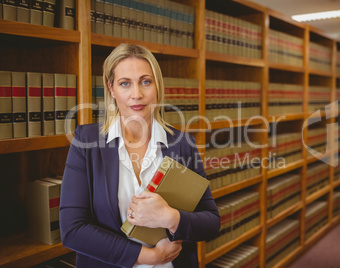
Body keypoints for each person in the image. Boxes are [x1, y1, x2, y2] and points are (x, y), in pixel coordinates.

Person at [60, 43, 220, 268]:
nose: (137, 94)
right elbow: (72, 230)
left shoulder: (183, 144)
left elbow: (211, 222)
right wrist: (148, 257)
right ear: (112, 89)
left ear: (157, 87)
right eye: (125, 83)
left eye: (146, 81)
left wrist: (171, 217)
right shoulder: (86, 142)